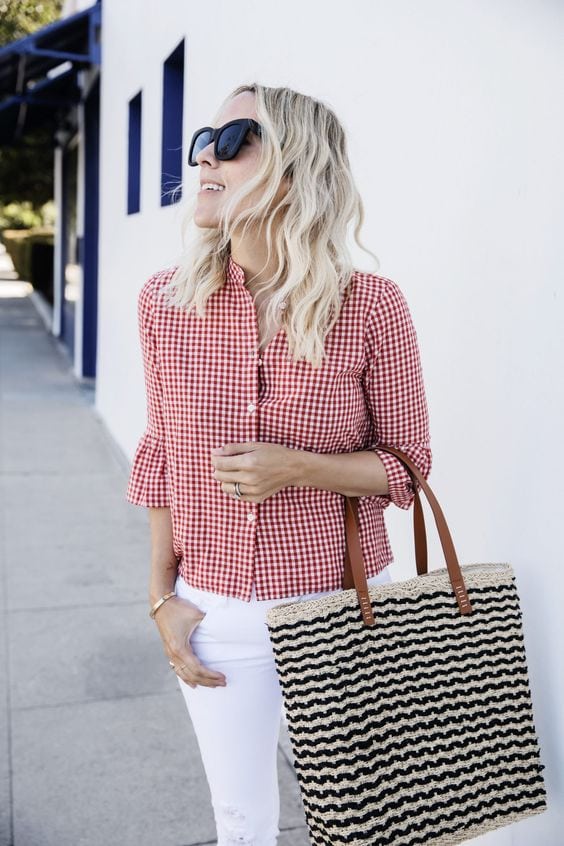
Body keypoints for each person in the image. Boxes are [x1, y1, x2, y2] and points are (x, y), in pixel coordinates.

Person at [126, 82, 432, 846]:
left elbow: (409, 465)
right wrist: (162, 599)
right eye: (206, 137)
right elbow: (163, 454)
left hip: (344, 606)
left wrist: (300, 466)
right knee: (241, 822)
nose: (206, 152)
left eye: (235, 141)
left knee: (368, 825)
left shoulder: (372, 306)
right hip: (215, 610)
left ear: (295, 171)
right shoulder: (163, 301)